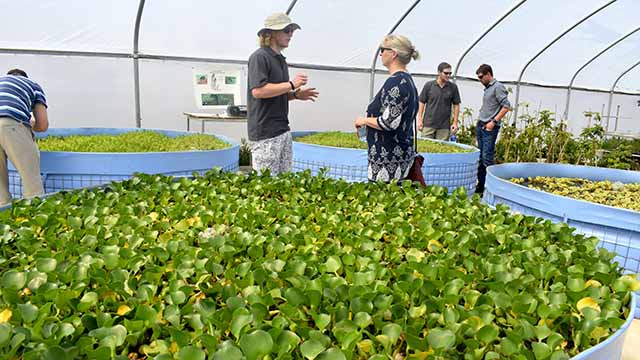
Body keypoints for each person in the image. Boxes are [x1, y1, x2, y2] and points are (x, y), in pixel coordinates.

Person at [247, 12, 319, 175]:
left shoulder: (280, 59)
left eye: (292, 30)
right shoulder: (259, 57)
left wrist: (295, 95)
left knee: (284, 182)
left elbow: (275, 92)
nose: (291, 34)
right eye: (287, 30)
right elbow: (258, 91)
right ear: (271, 33)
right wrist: (291, 84)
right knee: (266, 184)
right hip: (265, 134)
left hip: (282, 130)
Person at [354, 35, 420, 183]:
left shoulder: (396, 82)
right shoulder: (407, 80)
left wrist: (363, 120)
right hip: (400, 156)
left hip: (388, 161)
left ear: (394, 53)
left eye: (383, 50)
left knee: (382, 201)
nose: (380, 54)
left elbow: (389, 122)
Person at [0, 68, 49, 206]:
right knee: (31, 182)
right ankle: (34, 219)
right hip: (11, 125)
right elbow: (43, 124)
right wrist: (30, 124)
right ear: (25, 77)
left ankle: (5, 222)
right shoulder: (32, 85)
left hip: (7, 123)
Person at [475, 64, 511, 194]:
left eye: (481, 77)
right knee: (480, 157)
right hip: (482, 125)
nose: (480, 80)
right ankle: (480, 186)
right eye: (478, 77)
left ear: (489, 74)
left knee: (487, 158)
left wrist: (493, 122)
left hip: (490, 127)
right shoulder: (487, 88)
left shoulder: (498, 87)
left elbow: (506, 106)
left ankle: (490, 188)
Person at [417, 62, 461, 141]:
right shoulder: (429, 85)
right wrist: (420, 120)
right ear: (439, 72)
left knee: (441, 150)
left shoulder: (453, 87)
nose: (448, 75)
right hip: (428, 124)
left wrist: (455, 122)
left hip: (444, 126)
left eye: (450, 73)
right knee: (426, 148)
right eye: (446, 73)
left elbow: (456, 105)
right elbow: (422, 102)